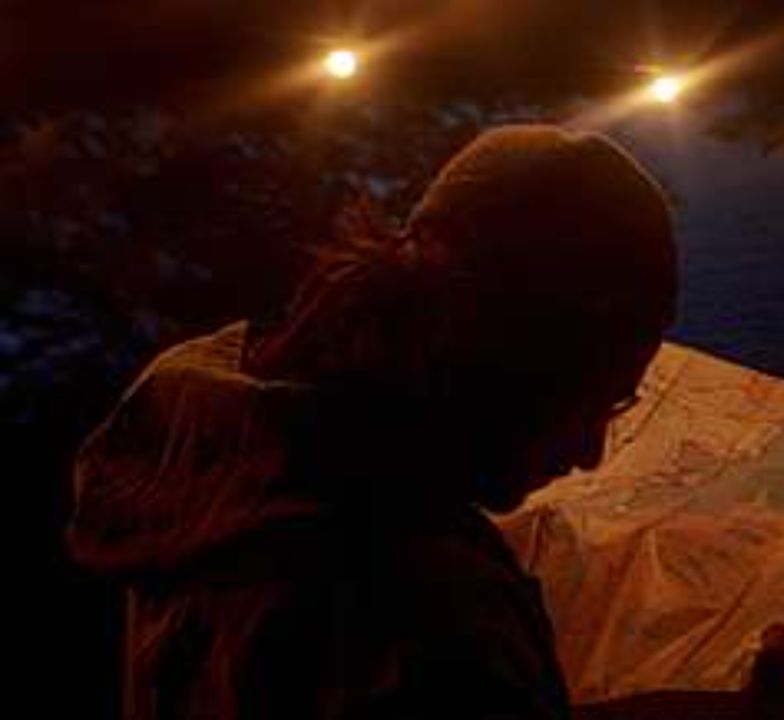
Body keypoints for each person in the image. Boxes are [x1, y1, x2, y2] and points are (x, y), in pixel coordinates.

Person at [66, 125, 677, 719]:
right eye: (596, 399)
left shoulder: (206, 461)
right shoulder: (428, 617)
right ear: (516, 354)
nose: (592, 452)